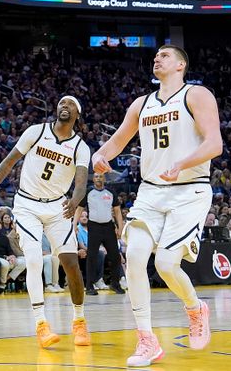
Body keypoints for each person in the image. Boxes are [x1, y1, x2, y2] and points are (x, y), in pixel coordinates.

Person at [92, 45, 221, 366]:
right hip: (151, 191)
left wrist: (182, 163)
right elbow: (118, 140)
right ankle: (146, 340)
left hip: (189, 189)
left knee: (165, 264)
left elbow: (214, 143)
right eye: (156, 56)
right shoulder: (142, 104)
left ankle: (195, 308)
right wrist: (100, 155)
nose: (157, 59)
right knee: (134, 257)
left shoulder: (197, 94)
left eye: (165, 55)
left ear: (181, 64)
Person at [0, 96, 92, 348]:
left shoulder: (80, 147)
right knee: (33, 259)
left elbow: (82, 181)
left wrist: (75, 200)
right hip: (27, 204)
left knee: (71, 264)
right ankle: (42, 324)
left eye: (70, 104)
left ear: (77, 113)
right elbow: (9, 161)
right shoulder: (36, 131)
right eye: (61, 102)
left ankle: (79, 320)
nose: (64, 106)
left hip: (58, 206)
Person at [81, 173, 125, 295]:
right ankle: (89, 286)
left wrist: (120, 227)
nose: (98, 178)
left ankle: (115, 284)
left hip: (109, 227)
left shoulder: (110, 192)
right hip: (94, 226)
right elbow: (80, 208)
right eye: (96, 176)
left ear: (104, 178)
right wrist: (74, 225)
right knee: (92, 257)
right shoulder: (88, 192)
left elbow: (117, 211)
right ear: (93, 179)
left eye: (100, 176)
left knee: (115, 256)